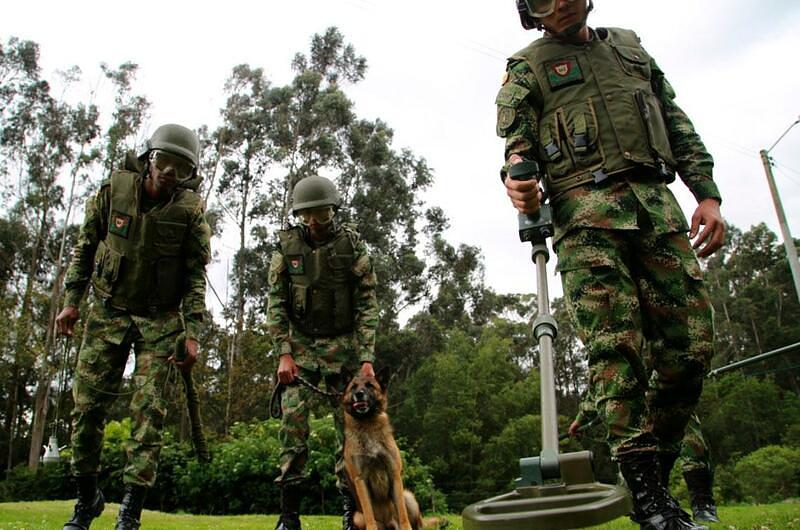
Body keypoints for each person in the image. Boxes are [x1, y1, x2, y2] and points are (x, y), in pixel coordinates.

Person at [496, 1, 725, 529]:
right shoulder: (526, 68)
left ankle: (654, 474)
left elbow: (675, 121)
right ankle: (649, 501)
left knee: (692, 347)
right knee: (613, 348)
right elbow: (516, 148)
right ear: (530, 13)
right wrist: (518, 180)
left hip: (657, 209)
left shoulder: (629, 48)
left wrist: (707, 196)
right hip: (585, 218)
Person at [56, 124, 212, 530]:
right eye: (163, 161)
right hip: (108, 311)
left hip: (160, 321)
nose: (169, 172)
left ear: (188, 174)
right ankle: (87, 498)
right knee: (86, 408)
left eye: (180, 167)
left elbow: (196, 277)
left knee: (148, 414)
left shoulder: (191, 214)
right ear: (148, 158)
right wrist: (71, 302)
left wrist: (193, 333)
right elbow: (86, 247)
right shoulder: (114, 191)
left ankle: (130, 511)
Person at [267, 175, 379, 530]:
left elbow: (367, 305)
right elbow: (276, 304)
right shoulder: (286, 249)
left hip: (344, 353)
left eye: (322, 214)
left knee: (349, 437)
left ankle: (351, 515)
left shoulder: (352, 248)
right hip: (299, 352)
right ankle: (288, 517)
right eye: (307, 215)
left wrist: (366, 359)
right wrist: (283, 353)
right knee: (292, 429)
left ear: (333, 211)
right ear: (299, 215)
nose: (315, 223)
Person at [569, 407, 721, 524]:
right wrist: (580, 418)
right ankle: (656, 507)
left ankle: (703, 506)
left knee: (692, 443)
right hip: (643, 408)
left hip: (674, 398)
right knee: (650, 456)